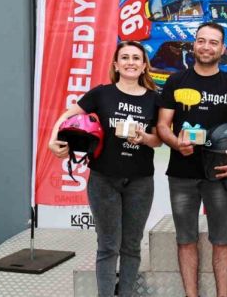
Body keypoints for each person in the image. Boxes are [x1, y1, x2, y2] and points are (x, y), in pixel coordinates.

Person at [156, 22, 227, 297]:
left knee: (221, 240)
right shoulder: (176, 81)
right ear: (194, 44)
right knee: (185, 240)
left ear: (223, 48)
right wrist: (175, 143)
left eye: (213, 42)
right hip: (181, 174)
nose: (206, 47)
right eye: (201, 41)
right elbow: (163, 125)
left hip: (218, 173)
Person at [48, 41, 162, 297]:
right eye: (125, 57)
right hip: (104, 179)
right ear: (116, 65)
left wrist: (144, 138)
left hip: (140, 181)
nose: (131, 62)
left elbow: (158, 140)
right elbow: (66, 116)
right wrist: (52, 141)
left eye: (136, 58)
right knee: (108, 246)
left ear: (144, 66)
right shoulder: (101, 94)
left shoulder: (154, 99)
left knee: (131, 246)